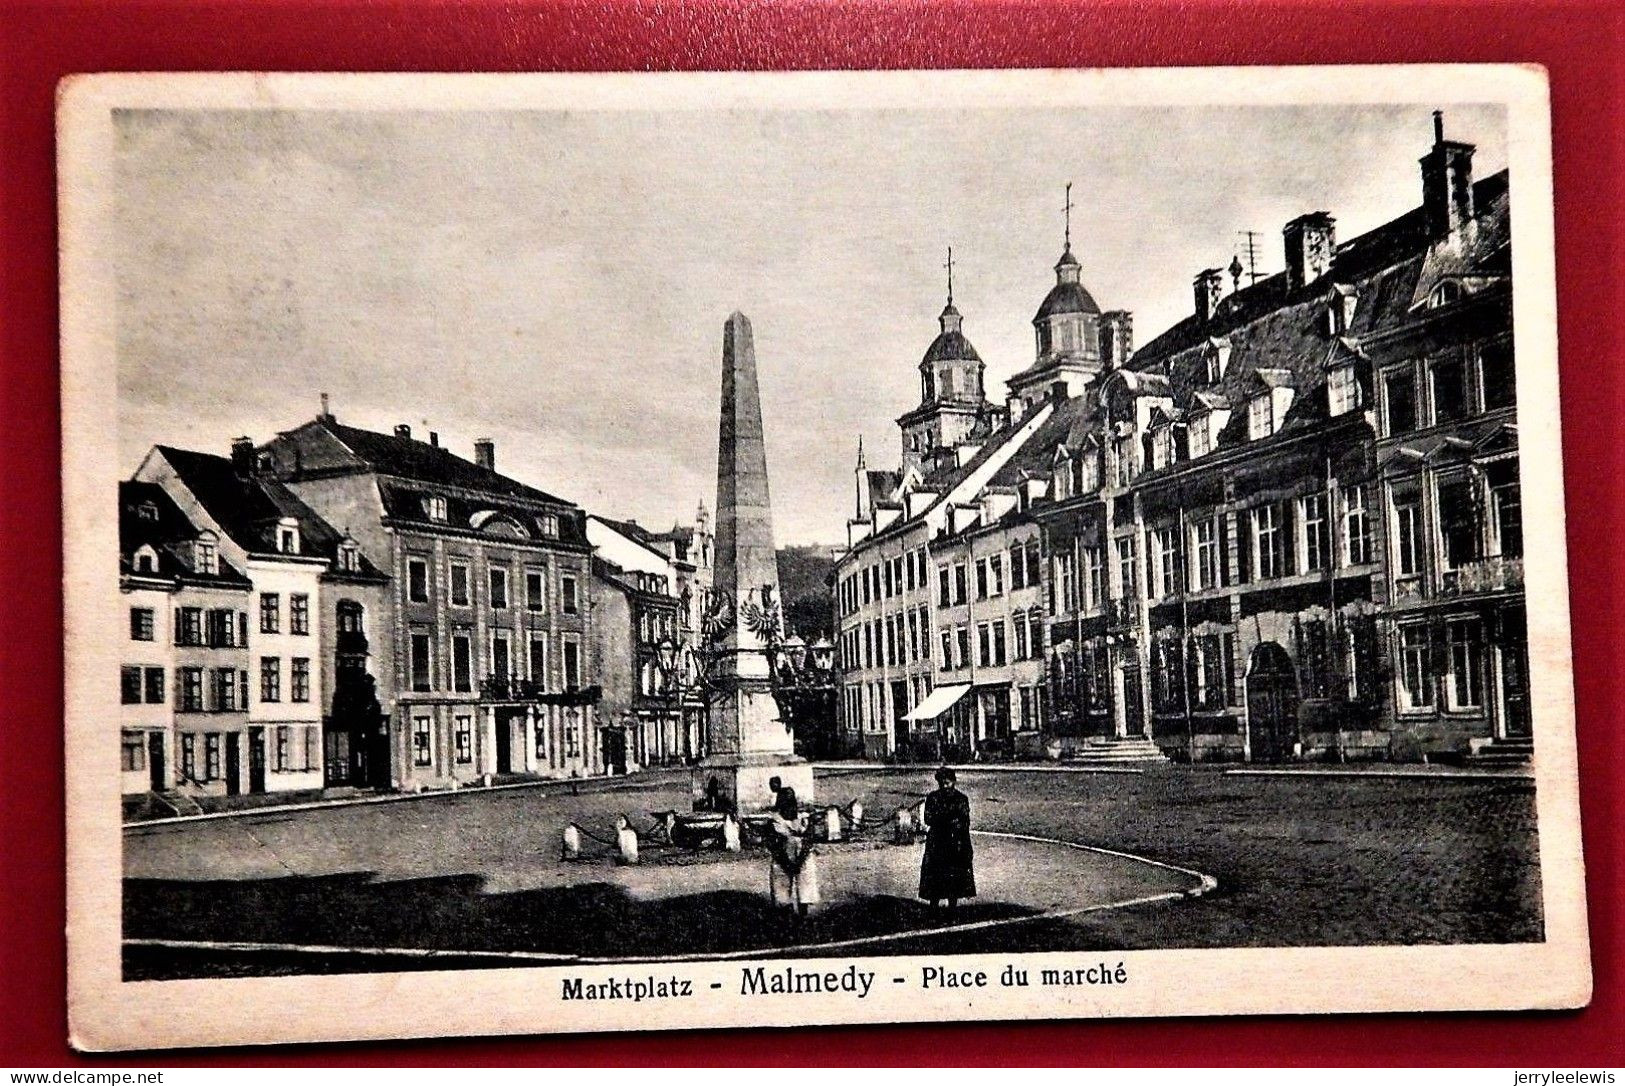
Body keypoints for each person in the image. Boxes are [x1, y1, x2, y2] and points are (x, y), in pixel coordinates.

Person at [919, 766, 975, 908]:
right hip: (937, 842)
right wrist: (949, 820)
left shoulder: (961, 799)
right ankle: (933, 907)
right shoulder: (933, 798)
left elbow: (964, 822)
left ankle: (952, 908)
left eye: (948, 782)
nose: (945, 785)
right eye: (942, 782)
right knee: (935, 875)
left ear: (954, 781)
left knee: (954, 876)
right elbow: (928, 818)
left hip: (955, 842)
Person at [765, 785, 821, 919]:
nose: (790, 807)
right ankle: (786, 912)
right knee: (781, 883)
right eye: (786, 804)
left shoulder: (804, 820)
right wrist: (788, 864)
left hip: (803, 856)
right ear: (780, 805)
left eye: (792, 803)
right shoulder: (774, 823)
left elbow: (809, 840)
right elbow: (774, 847)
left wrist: (800, 861)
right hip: (783, 857)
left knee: (806, 881)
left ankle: (804, 912)